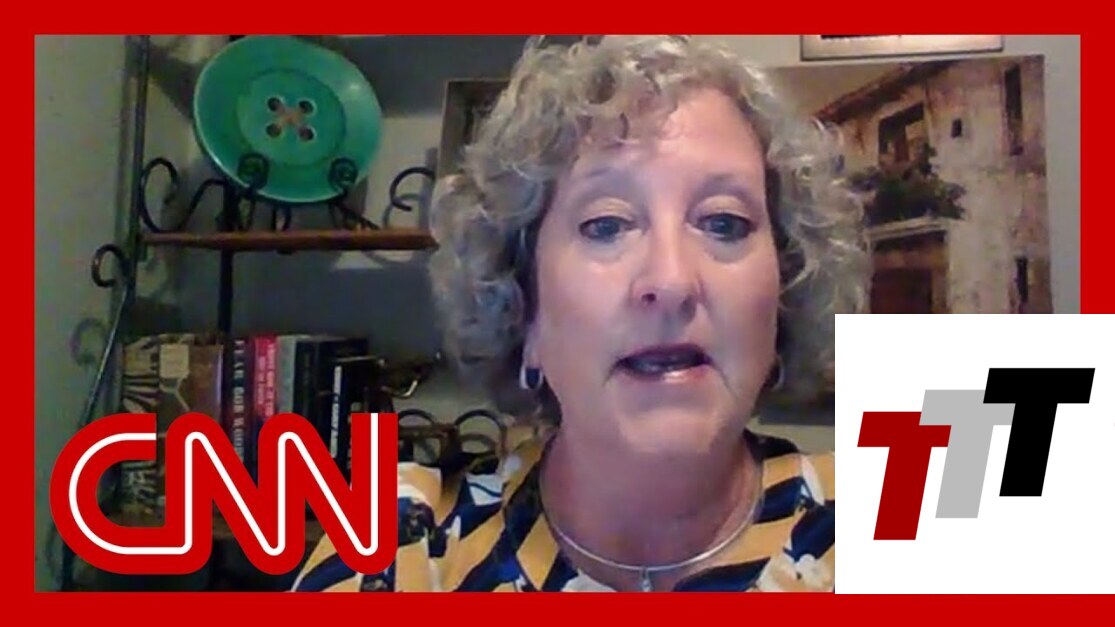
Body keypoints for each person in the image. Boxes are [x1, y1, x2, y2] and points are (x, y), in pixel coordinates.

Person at [292, 34, 869, 592]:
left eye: (724, 222)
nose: (671, 281)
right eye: (606, 225)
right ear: (522, 305)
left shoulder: (897, 526)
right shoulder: (395, 549)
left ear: (785, 292)